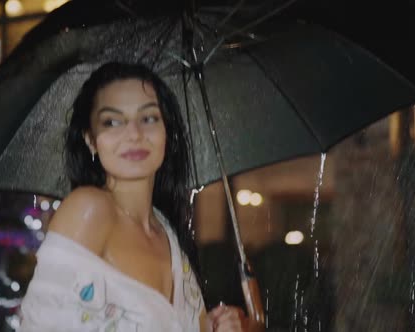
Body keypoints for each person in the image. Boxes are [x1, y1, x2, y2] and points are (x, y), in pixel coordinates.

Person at [20, 62, 249, 331]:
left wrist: (212, 326)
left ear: (168, 133)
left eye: (149, 118)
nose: (134, 134)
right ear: (91, 140)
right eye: (113, 122)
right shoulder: (89, 210)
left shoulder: (168, 232)